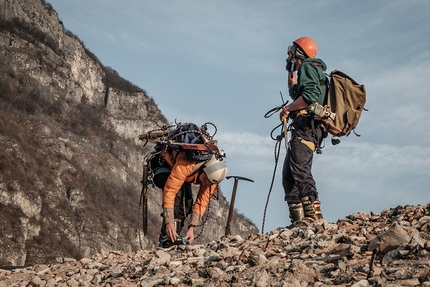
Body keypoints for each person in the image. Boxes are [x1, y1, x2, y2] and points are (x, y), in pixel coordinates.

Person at [279, 36, 328, 227]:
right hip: (307, 128)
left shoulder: (308, 66)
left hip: (307, 128)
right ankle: (298, 220)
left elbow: (309, 96)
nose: (288, 57)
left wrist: (289, 109)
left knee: (300, 170)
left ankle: (314, 216)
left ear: (299, 52)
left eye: (290, 51)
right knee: (289, 175)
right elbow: (304, 94)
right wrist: (292, 84)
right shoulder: (311, 70)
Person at [157, 147, 228, 246]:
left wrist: (192, 228)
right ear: (203, 169)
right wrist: (169, 222)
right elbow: (170, 191)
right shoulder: (187, 164)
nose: (203, 184)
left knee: (187, 203)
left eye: (207, 183)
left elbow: (201, 203)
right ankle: (167, 237)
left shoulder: (211, 181)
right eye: (204, 179)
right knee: (177, 199)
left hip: (185, 176)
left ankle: (175, 235)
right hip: (164, 164)